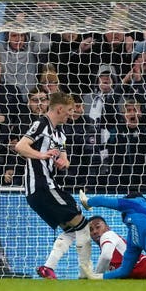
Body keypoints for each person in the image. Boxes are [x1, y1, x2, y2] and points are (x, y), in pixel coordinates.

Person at [13, 92, 94, 279]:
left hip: (48, 186)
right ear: (59, 109)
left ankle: (48, 268)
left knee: (72, 229)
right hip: (41, 186)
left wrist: (63, 161)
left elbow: (64, 157)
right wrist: (42, 155)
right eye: (69, 111)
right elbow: (21, 146)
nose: (70, 115)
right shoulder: (41, 124)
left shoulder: (59, 132)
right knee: (82, 224)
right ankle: (86, 272)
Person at [87, 215, 146, 279]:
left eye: (98, 227)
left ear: (107, 228)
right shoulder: (107, 246)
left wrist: (96, 276)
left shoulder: (107, 235)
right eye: (91, 229)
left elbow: (105, 257)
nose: (95, 231)